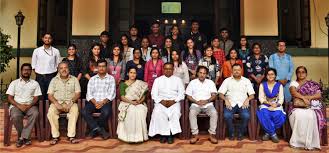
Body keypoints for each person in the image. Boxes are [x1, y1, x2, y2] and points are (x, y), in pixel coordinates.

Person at [289, 66, 325, 150]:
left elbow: (319, 95)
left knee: (311, 116)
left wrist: (309, 97)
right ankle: (297, 142)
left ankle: (309, 142)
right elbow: (293, 92)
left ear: (306, 73)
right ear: (296, 74)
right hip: (297, 107)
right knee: (298, 116)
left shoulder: (312, 84)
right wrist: (304, 98)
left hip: (310, 107)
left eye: (303, 72)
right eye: (299, 72)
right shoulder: (294, 83)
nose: (301, 74)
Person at [6, 63, 41, 148]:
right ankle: (25, 137)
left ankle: (21, 137)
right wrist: (19, 105)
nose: (26, 71)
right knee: (15, 115)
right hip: (16, 106)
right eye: (24, 70)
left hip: (30, 106)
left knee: (35, 113)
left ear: (31, 72)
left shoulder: (35, 83)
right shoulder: (14, 83)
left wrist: (29, 106)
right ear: (21, 71)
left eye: (28, 70)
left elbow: (36, 98)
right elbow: (10, 98)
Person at [148, 63, 185, 144]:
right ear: (163, 69)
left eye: (170, 69)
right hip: (161, 102)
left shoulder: (178, 80)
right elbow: (154, 94)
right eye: (166, 69)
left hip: (174, 102)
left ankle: (170, 135)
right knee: (159, 113)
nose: (168, 70)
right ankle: (163, 135)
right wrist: (162, 101)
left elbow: (182, 93)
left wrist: (173, 101)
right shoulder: (158, 80)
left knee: (175, 113)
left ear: (173, 70)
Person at [218, 64, 255, 141]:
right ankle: (231, 133)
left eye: (238, 70)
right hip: (230, 104)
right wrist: (226, 100)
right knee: (227, 115)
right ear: (232, 71)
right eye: (235, 70)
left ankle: (240, 133)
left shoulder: (246, 81)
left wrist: (247, 99)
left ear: (241, 71)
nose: (236, 71)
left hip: (243, 104)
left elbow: (252, 94)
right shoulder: (227, 81)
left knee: (246, 116)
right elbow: (220, 93)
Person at [47, 62, 81, 145]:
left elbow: (78, 93)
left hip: (71, 102)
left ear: (68, 69)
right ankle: (55, 136)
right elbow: (50, 95)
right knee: (51, 113)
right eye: (61, 68)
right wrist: (56, 103)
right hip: (57, 102)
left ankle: (71, 136)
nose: (63, 70)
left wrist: (71, 102)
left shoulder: (74, 79)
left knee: (74, 111)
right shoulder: (54, 80)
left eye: (65, 68)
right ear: (58, 70)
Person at [81, 59, 116, 140]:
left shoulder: (111, 79)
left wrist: (102, 102)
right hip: (94, 102)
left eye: (103, 66)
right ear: (97, 67)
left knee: (107, 112)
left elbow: (111, 94)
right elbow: (89, 94)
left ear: (106, 67)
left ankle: (94, 129)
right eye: (99, 66)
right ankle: (100, 130)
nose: (101, 68)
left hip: (105, 102)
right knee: (84, 111)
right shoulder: (92, 79)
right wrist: (96, 102)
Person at [186, 66, 218, 144]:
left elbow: (214, 95)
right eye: (200, 73)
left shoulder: (210, 82)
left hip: (208, 104)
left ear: (206, 74)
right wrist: (196, 101)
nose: (202, 75)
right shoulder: (192, 82)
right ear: (197, 73)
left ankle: (211, 134)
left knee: (214, 113)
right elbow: (188, 96)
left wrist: (207, 101)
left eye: (204, 73)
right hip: (196, 104)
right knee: (192, 113)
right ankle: (195, 135)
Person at [117, 67, 149, 143]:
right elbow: (122, 97)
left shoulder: (140, 83)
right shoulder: (123, 84)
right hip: (127, 103)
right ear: (128, 73)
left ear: (136, 74)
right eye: (131, 72)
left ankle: (139, 136)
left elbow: (143, 96)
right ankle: (129, 137)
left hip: (138, 103)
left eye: (134, 73)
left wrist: (140, 101)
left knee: (141, 110)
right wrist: (132, 103)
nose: (132, 74)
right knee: (131, 111)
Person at [256, 68, 285, 143]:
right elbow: (261, 98)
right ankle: (273, 134)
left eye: (272, 74)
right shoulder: (262, 85)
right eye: (268, 74)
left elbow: (281, 98)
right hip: (265, 105)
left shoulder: (279, 85)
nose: (270, 76)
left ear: (275, 75)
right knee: (264, 114)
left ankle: (267, 133)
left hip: (276, 105)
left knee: (278, 115)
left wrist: (276, 104)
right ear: (266, 76)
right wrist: (269, 103)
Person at [32, 32, 61, 101]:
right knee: (40, 96)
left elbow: (58, 65)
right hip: (40, 76)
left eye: (49, 38)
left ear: (51, 39)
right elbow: (33, 65)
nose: (47, 39)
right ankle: (41, 111)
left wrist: (54, 75)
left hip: (51, 76)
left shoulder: (56, 51)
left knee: (51, 95)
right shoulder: (36, 51)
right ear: (43, 39)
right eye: (45, 38)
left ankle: (50, 111)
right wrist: (38, 74)